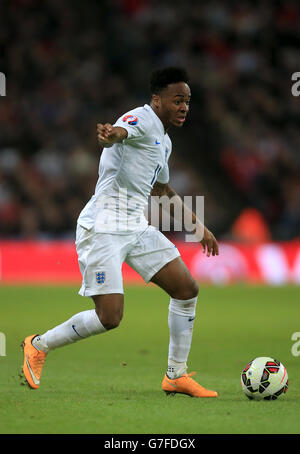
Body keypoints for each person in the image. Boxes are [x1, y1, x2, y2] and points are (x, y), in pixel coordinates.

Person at [21, 67, 219, 398]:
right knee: (110, 317)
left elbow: (162, 191)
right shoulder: (139, 120)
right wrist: (111, 135)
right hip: (104, 226)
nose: (184, 107)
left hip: (136, 226)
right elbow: (121, 132)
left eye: (187, 101)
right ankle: (38, 345)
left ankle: (176, 375)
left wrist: (198, 227)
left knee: (186, 289)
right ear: (157, 100)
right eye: (177, 100)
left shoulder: (165, 142)